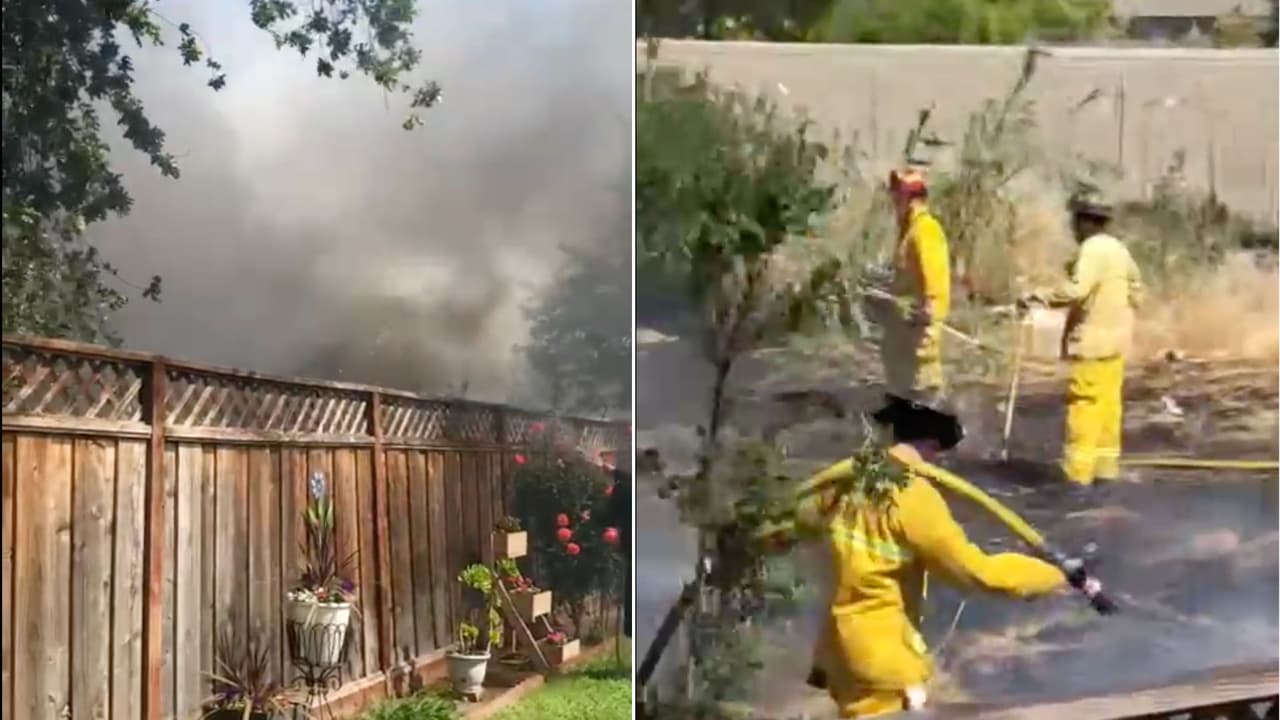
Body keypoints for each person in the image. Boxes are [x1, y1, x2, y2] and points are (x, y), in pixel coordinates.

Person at [797, 394, 1068, 718]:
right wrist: (1052, 576)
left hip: (838, 653)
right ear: (930, 441)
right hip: (884, 662)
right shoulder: (912, 497)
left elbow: (799, 522)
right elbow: (976, 573)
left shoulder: (843, 482)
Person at [1021, 191, 1144, 486]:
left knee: (1085, 405)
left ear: (1086, 221)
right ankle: (1105, 471)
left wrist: (1040, 296)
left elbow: (1077, 290)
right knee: (1108, 406)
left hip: (1092, 344)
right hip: (1116, 343)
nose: (1073, 228)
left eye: (1075, 221)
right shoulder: (1118, 249)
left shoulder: (1091, 250)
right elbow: (1137, 290)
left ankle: (1078, 477)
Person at [877, 168, 952, 400]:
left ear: (910, 198)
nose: (893, 201)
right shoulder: (908, 232)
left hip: (918, 350)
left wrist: (927, 311)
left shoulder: (926, 229)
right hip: (903, 349)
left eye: (897, 195)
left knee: (922, 413)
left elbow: (934, 283)